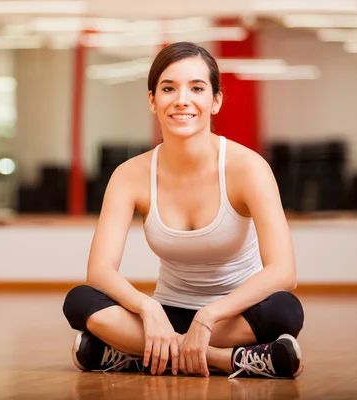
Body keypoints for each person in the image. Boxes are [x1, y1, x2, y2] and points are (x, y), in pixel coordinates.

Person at [63, 41, 304, 380]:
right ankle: (227, 360)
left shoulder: (248, 168)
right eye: (168, 88)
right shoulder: (129, 175)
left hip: (231, 316)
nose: (181, 100)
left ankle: (141, 355)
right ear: (152, 100)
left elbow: (283, 272)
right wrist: (148, 308)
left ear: (215, 101)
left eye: (197, 88)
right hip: (166, 314)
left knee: (285, 310)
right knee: (79, 302)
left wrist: (208, 317)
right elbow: (100, 271)